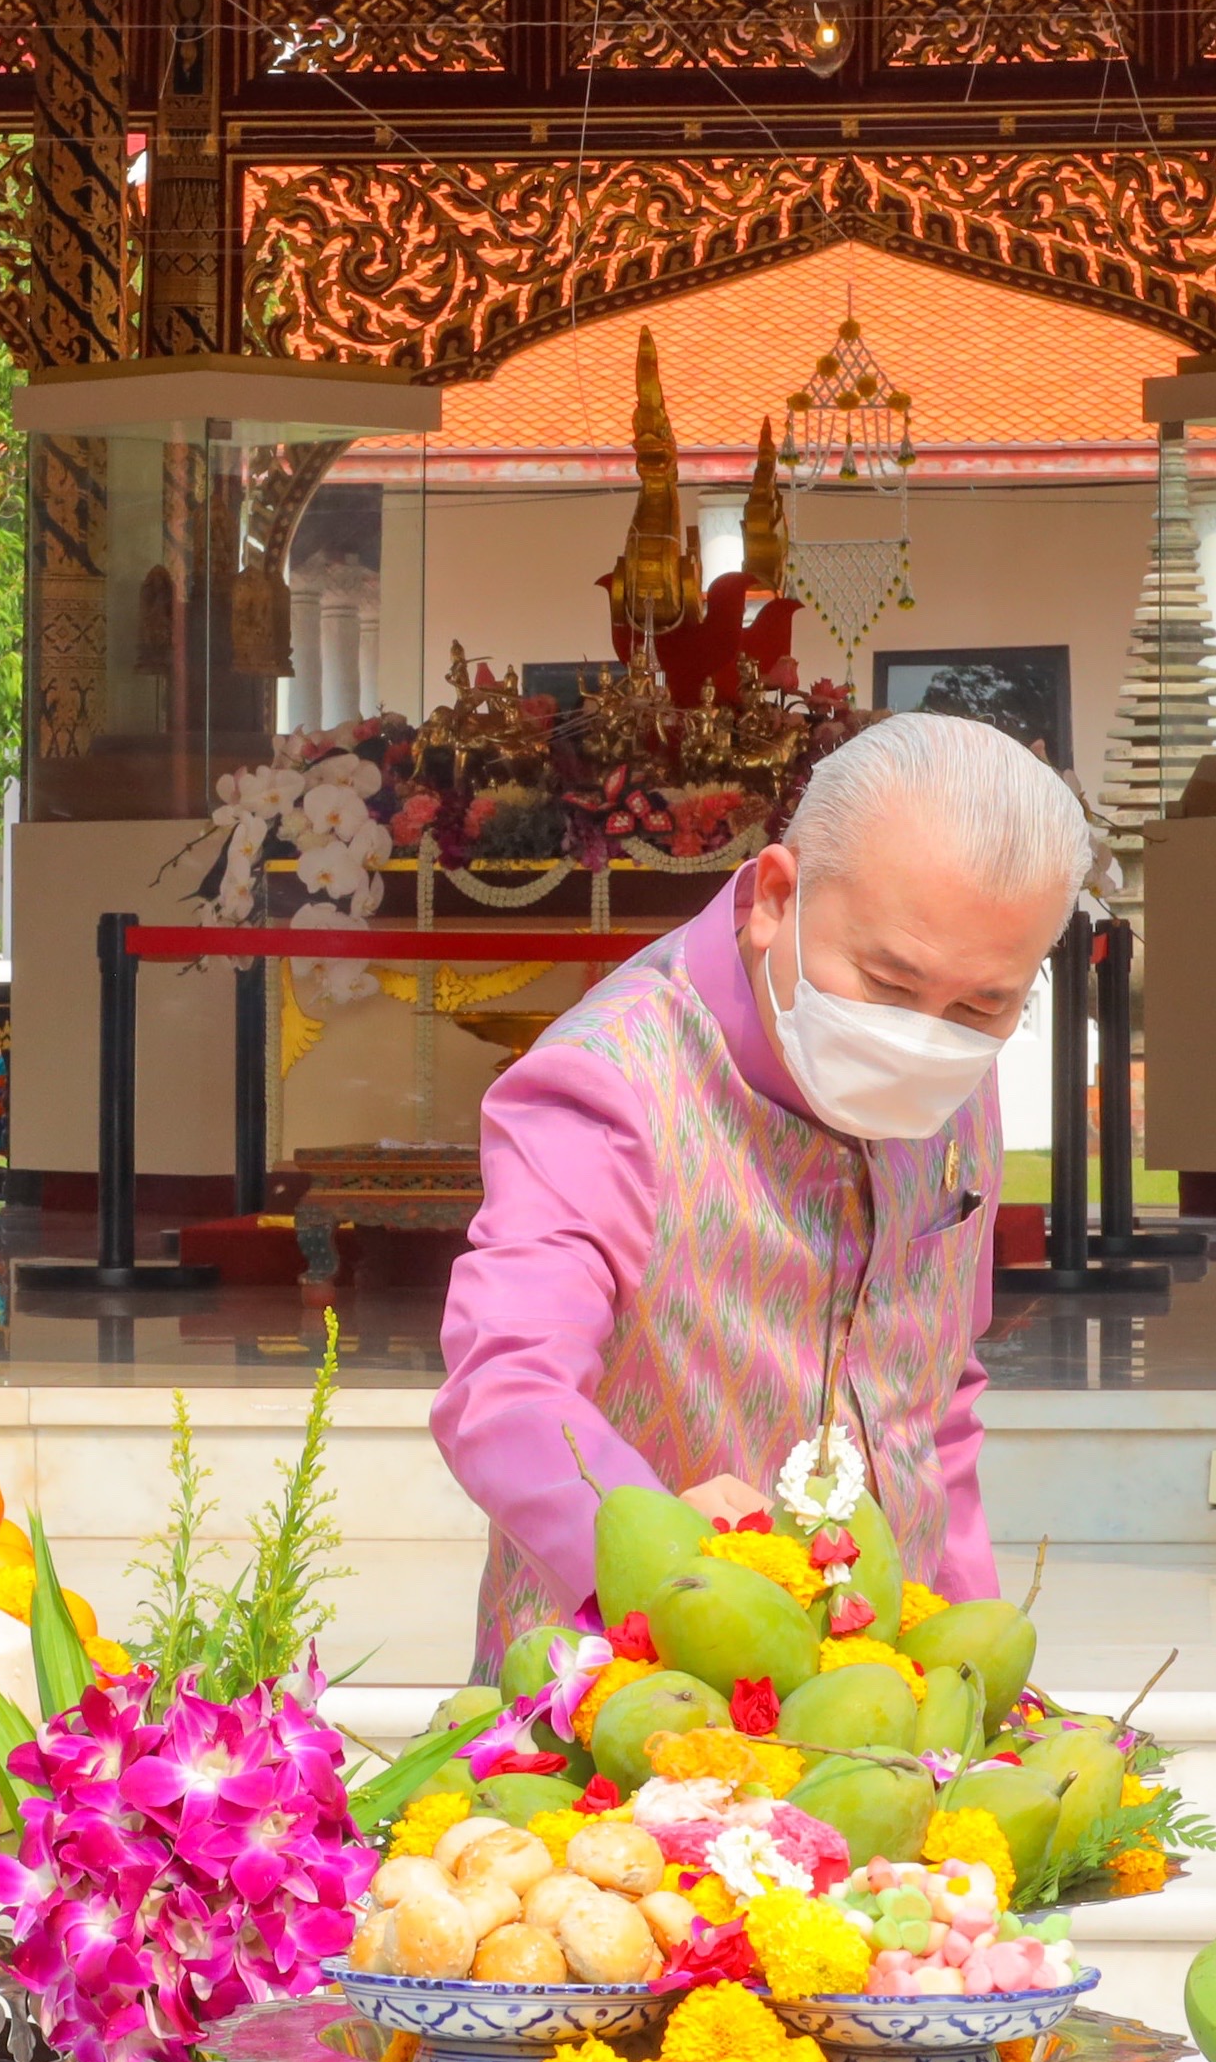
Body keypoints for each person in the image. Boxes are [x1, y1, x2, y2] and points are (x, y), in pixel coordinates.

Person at [432, 712, 1090, 1673]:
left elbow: (933, 1393)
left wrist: (962, 1662)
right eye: (887, 983)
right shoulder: (611, 1077)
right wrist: (660, 1555)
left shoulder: (958, 1069)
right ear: (778, 897)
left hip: (882, 1699)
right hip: (630, 1706)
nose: (925, 1035)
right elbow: (505, 1387)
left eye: (985, 1004)